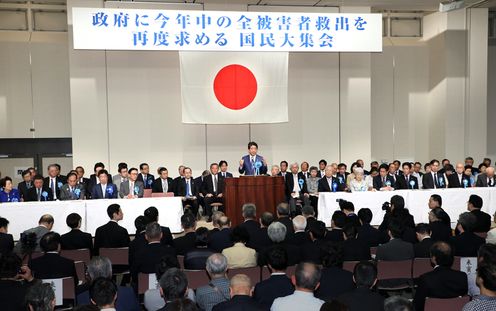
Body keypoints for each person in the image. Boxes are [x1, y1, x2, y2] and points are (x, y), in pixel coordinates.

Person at [414, 242, 468, 311]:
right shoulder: (462, 277)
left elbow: (418, 305)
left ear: (433, 259)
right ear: (452, 258)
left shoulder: (425, 278)